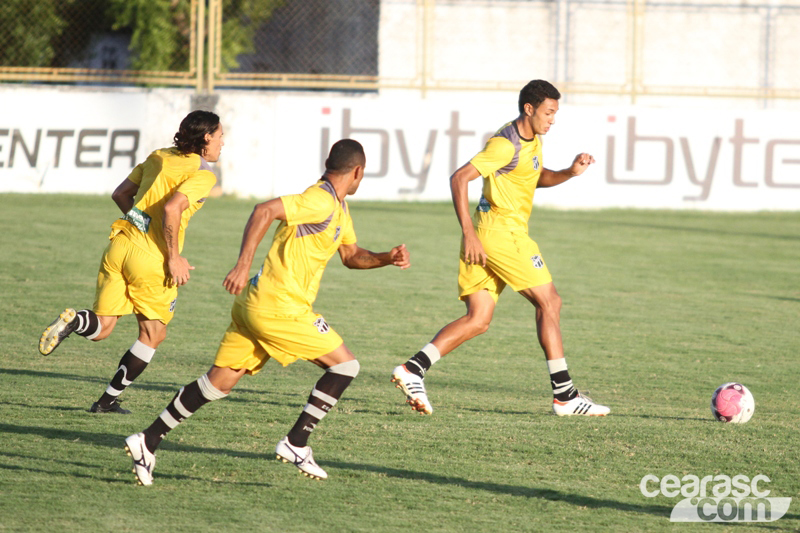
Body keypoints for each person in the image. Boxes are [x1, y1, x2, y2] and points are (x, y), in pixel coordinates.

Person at [124, 139, 410, 485]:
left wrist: (385, 258)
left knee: (220, 381)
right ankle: (296, 442)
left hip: (255, 304)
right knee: (346, 365)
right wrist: (242, 265)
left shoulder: (338, 208)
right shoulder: (319, 200)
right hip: (280, 307)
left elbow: (351, 256)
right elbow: (263, 210)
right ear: (358, 171)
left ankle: (147, 440)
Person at [391, 80, 610, 417]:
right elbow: (459, 178)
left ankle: (413, 369)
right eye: (549, 113)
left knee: (478, 319)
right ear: (529, 109)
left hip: (489, 235)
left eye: (555, 114)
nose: (553, 120)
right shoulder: (504, 144)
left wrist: (569, 172)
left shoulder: (532, 139)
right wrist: (469, 234)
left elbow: (533, 176)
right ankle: (565, 395)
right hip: (502, 236)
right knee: (550, 302)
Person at [38, 110, 224, 414]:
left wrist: (139, 222)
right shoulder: (202, 174)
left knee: (103, 328)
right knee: (153, 334)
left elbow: (121, 193)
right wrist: (173, 258)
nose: (222, 143)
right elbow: (174, 209)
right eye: (220, 136)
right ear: (206, 138)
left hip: (120, 245)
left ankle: (74, 320)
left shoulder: (159, 156)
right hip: (151, 260)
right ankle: (106, 400)